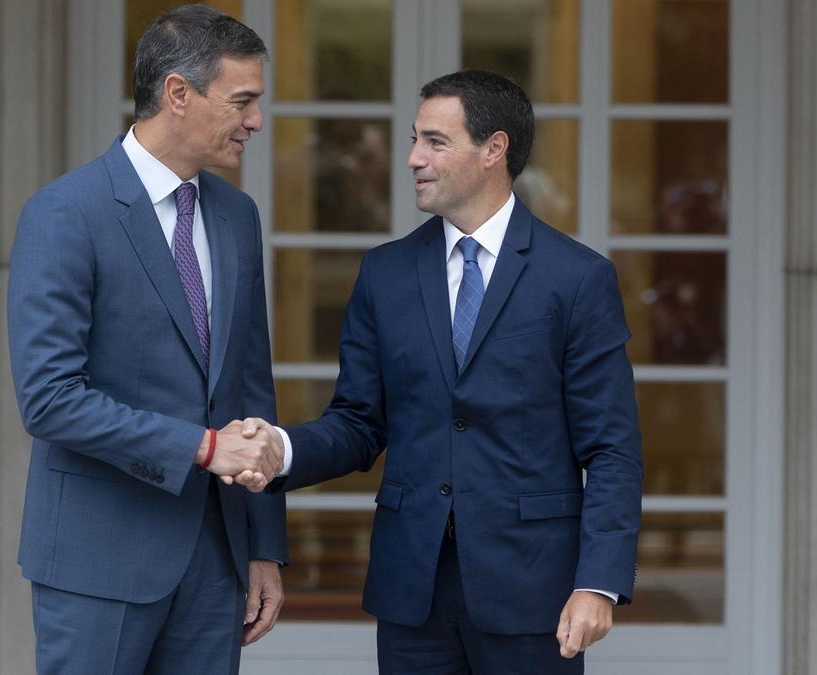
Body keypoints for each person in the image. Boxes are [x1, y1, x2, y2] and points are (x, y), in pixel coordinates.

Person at [249, 70, 643, 673]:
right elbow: (358, 423)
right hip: (414, 590)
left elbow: (612, 447)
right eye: (414, 139)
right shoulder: (384, 274)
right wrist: (280, 449)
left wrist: (600, 581)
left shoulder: (577, 279)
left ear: (494, 149)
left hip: (535, 591)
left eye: (435, 141)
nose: (412, 158)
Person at [6, 6, 287, 673]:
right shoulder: (66, 212)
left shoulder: (237, 216)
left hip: (216, 563)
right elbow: (48, 399)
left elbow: (251, 386)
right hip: (96, 559)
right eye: (242, 101)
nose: (255, 121)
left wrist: (263, 543)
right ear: (178, 94)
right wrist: (203, 446)